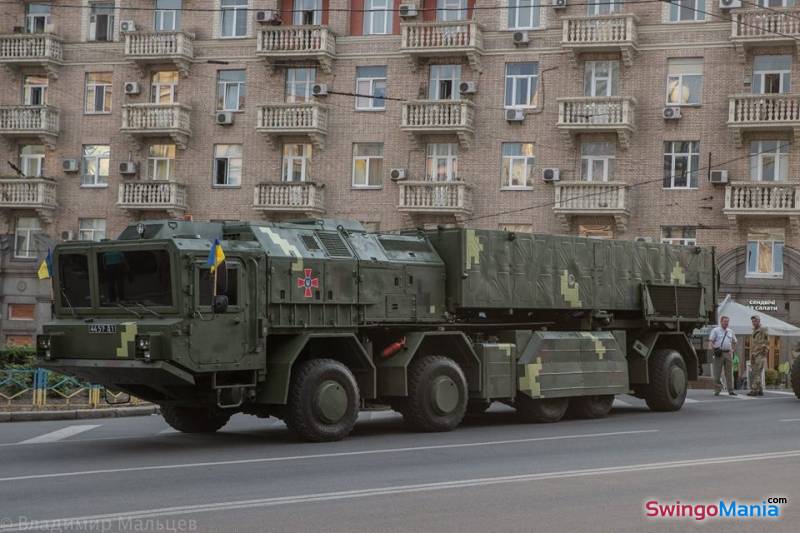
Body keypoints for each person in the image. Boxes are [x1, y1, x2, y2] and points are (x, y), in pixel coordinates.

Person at [708, 316, 737, 396]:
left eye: (727, 321)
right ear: (721, 322)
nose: (726, 323)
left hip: (728, 353)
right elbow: (711, 341)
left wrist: (732, 350)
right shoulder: (716, 330)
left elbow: (735, 341)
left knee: (729, 373)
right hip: (719, 353)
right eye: (725, 321)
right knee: (717, 373)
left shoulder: (730, 331)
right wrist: (713, 349)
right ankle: (717, 389)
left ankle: (731, 390)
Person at [748, 315, 768, 397]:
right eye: (752, 321)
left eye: (755, 321)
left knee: (757, 372)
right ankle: (760, 390)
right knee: (755, 372)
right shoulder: (754, 330)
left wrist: (762, 352)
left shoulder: (763, 329)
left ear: (759, 321)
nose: (753, 323)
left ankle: (754, 390)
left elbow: (766, 342)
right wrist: (753, 353)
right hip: (753, 354)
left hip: (760, 354)